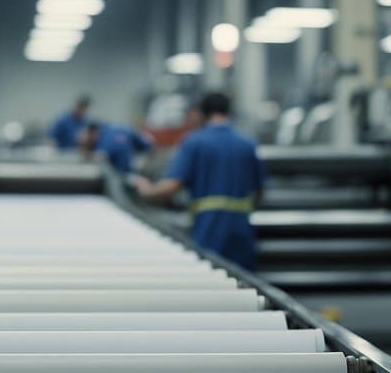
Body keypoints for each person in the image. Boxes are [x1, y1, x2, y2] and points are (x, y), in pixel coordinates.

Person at [133, 92, 266, 270]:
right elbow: (259, 192)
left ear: (202, 113)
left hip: (209, 226)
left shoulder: (195, 142)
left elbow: (171, 187)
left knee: (212, 278)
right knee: (245, 285)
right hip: (241, 228)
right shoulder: (247, 144)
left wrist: (145, 189)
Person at [77, 121, 152, 175]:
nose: (92, 142)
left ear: (93, 132)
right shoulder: (123, 128)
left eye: (90, 139)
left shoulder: (103, 141)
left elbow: (98, 157)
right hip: (131, 172)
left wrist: (84, 148)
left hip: (121, 175)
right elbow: (148, 143)